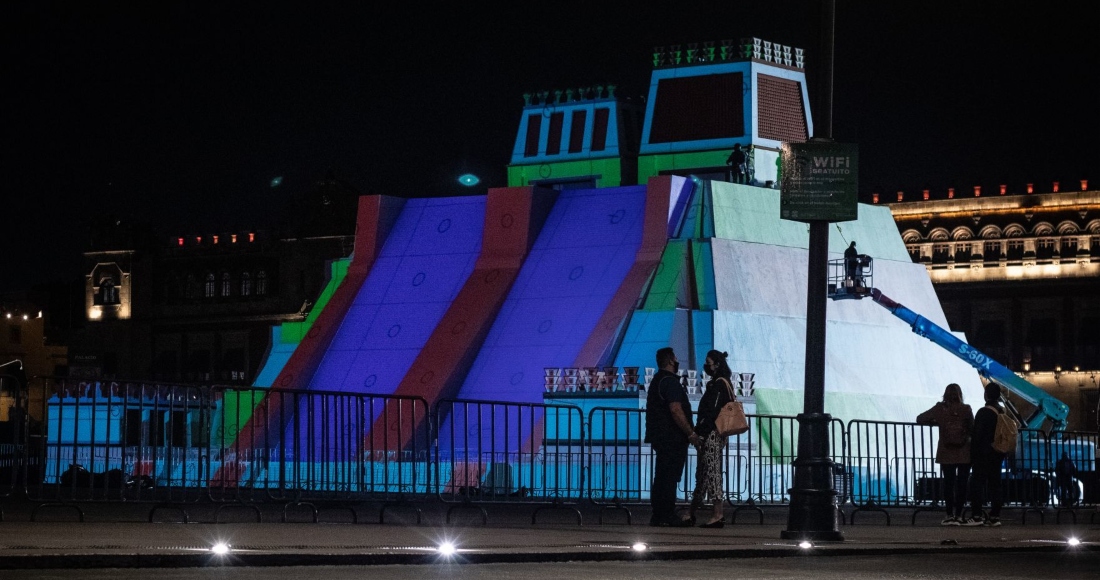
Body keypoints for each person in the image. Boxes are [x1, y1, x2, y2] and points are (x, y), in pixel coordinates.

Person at [645, 346, 696, 527]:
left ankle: (658, 514)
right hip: (672, 437)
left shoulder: (657, 380)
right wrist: (690, 433)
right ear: (669, 360)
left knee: (661, 476)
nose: (677, 361)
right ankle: (667, 513)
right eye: (675, 358)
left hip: (660, 436)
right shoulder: (670, 381)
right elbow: (676, 410)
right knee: (669, 477)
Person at [688, 350, 735, 528]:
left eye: (708, 363)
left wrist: (701, 432)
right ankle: (692, 511)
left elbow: (712, 411)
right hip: (715, 433)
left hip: (712, 434)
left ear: (716, 364)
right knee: (704, 472)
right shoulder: (721, 383)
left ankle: (717, 513)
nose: (706, 366)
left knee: (711, 471)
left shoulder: (719, 384)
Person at [916, 383, 974, 526]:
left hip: (946, 452)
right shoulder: (966, 409)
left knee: (948, 484)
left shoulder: (940, 408)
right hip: (964, 452)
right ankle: (959, 515)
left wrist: (936, 421)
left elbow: (920, 418)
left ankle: (949, 515)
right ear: (960, 394)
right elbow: (972, 428)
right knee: (962, 484)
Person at [963, 382, 1008, 527]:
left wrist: (972, 454)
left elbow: (978, 435)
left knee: (977, 484)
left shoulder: (983, 412)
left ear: (986, 395)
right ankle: (995, 516)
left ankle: (977, 515)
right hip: (997, 453)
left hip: (983, 453)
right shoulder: (1002, 411)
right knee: (995, 484)